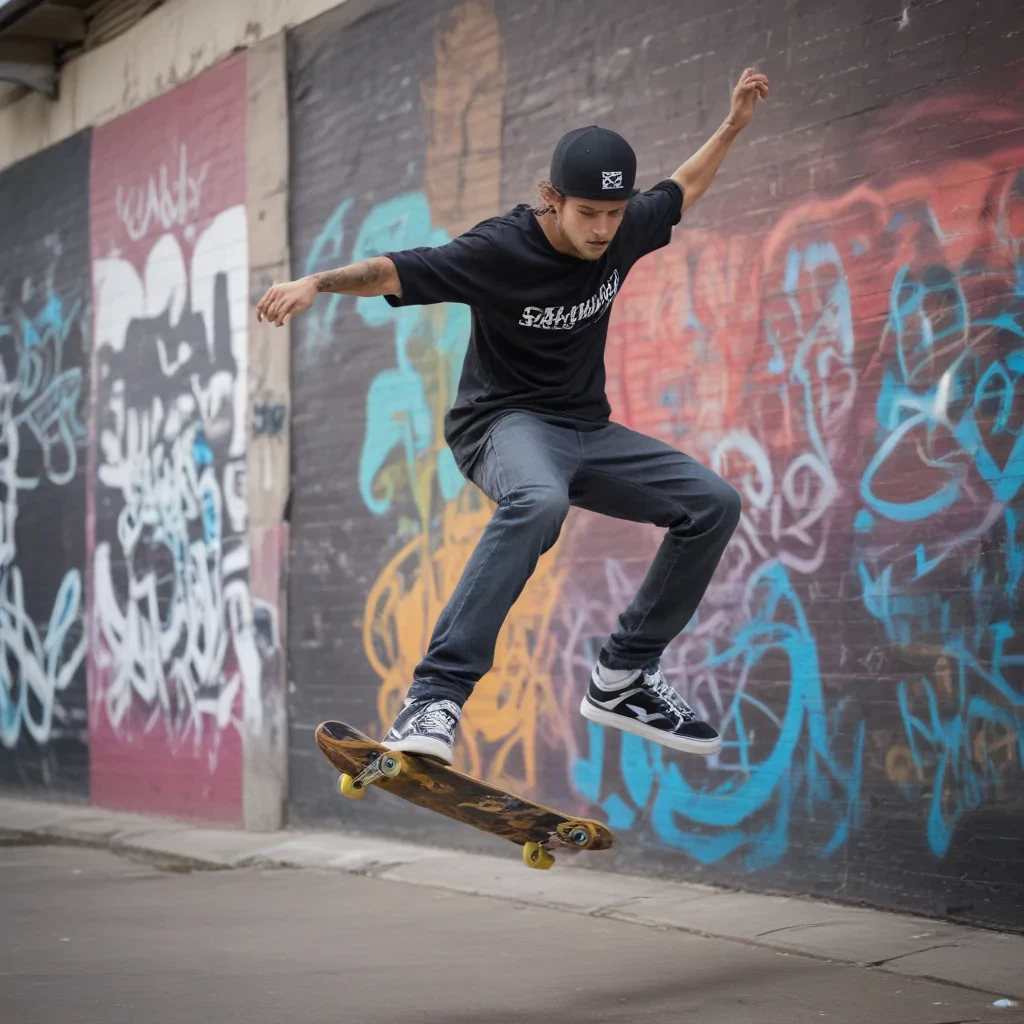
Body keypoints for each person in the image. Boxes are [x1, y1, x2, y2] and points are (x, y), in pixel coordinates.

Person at [258, 67, 770, 765]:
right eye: (587, 213)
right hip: (502, 425)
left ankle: (621, 678)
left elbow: (683, 189)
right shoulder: (500, 249)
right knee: (537, 501)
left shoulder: (623, 229)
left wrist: (734, 125)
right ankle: (434, 696)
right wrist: (315, 281)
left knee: (712, 502)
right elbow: (393, 271)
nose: (602, 230)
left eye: (613, 215)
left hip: (586, 430)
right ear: (551, 199)